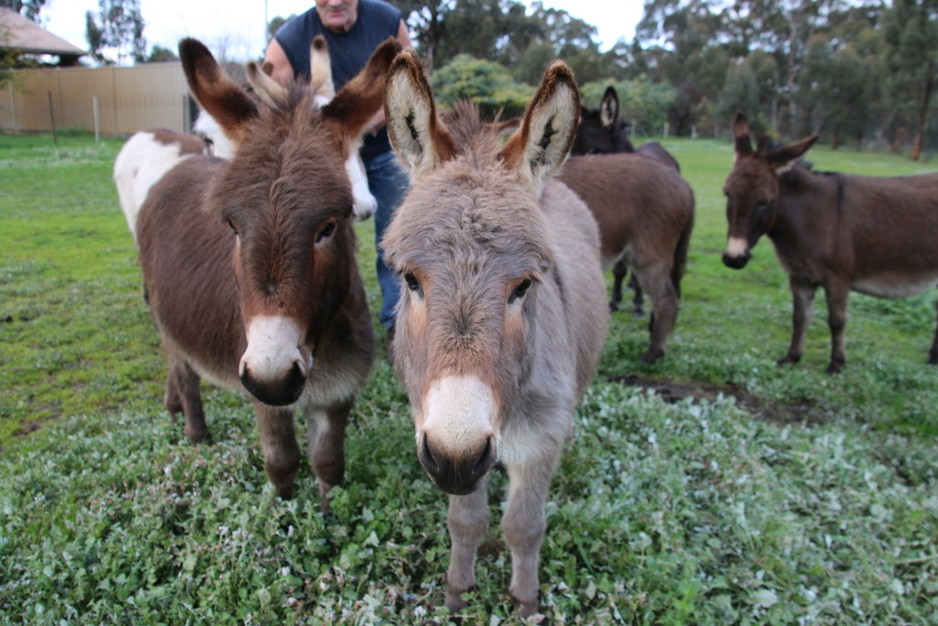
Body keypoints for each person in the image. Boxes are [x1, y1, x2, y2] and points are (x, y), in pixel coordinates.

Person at [264, 0, 412, 355]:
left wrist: (360, 124)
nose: (333, 2)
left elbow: (411, 83)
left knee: (400, 239)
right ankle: (308, 318)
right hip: (322, 160)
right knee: (312, 237)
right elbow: (268, 100)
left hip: (384, 149)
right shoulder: (288, 40)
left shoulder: (389, 22)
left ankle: (399, 326)